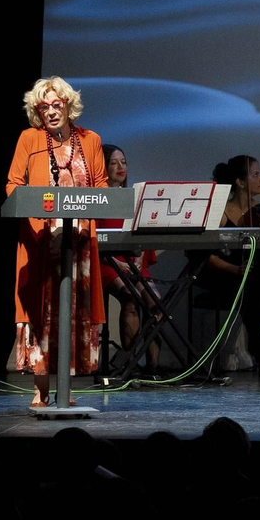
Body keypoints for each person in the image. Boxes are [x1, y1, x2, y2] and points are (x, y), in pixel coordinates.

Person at [5, 76, 107, 407]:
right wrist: (32, 210)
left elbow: (102, 185)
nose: (50, 112)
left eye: (55, 105)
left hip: (79, 243)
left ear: (68, 105)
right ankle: (40, 388)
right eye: (43, 107)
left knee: (74, 313)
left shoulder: (90, 140)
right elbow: (13, 183)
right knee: (42, 312)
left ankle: (66, 387)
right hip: (40, 240)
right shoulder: (29, 138)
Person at [190, 154, 260, 378]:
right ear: (240, 182)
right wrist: (236, 270)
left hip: (254, 276)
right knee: (256, 285)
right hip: (225, 274)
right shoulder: (220, 212)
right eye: (256, 174)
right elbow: (204, 256)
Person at [100, 144, 160, 374]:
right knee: (131, 298)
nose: (120, 167)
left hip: (132, 263)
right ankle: (130, 363)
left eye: (123, 162)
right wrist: (118, 263)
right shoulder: (96, 198)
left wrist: (139, 258)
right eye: (113, 162)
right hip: (107, 263)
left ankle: (153, 366)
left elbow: (142, 234)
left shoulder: (134, 198)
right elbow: (93, 240)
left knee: (156, 303)